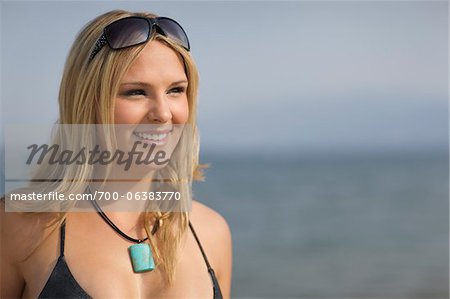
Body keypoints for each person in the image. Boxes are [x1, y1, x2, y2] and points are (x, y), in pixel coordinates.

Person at [1, 9, 232, 298]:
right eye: (136, 92)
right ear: (88, 101)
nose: (163, 113)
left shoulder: (211, 232)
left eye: (176, 90)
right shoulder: (19, 226)